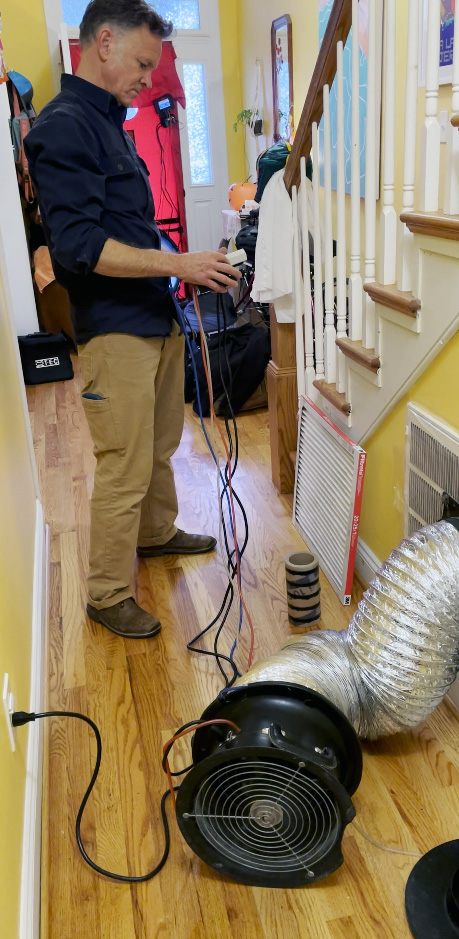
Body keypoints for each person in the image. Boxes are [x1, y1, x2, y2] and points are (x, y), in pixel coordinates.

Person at [25, 0, 241, 640]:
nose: (151, 79)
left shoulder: (113, 123)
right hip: (114, 328)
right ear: (105, 43)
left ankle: (156, 533)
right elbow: (79, 249)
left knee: (159, 447)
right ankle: (105, 593)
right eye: (144, 63)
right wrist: (179, 262)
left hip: (154, 314)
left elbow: (126, 228)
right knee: (122, 465)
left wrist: (174, 277)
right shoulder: (62, 127)